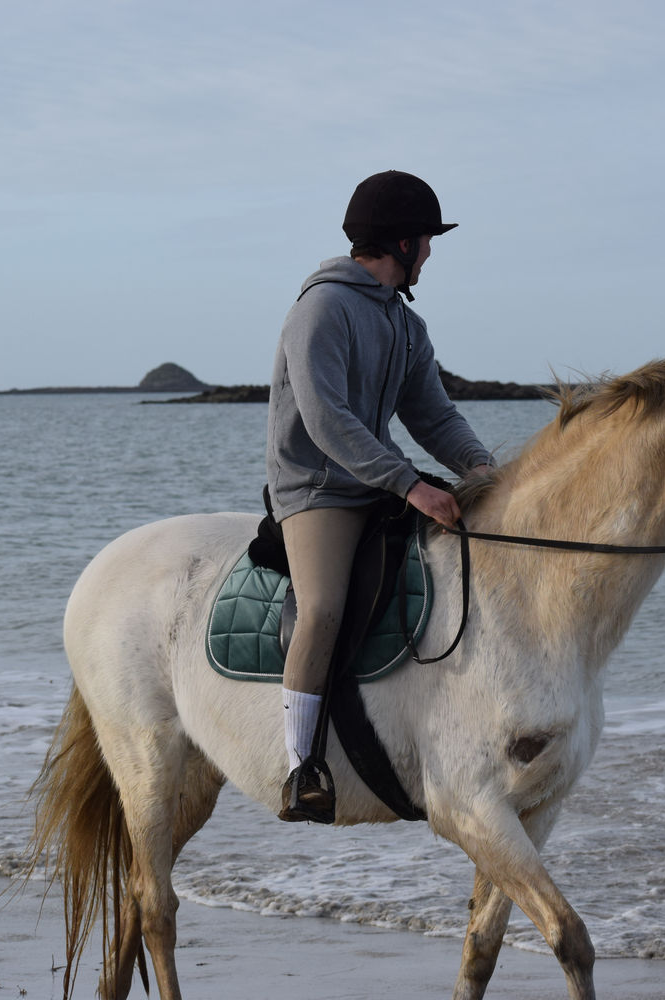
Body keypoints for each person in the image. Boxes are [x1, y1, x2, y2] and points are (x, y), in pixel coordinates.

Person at [266, 169, 494, 823]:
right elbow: (326, 418)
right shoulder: (321, 310)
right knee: (325, 609)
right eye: (426, 239)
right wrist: (410, 484)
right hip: (318, 488)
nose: (429, 252)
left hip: (373, 480)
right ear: (401, 243)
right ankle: (301, 766)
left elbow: (434, 415)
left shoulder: (406, 326)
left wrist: (480, 468)